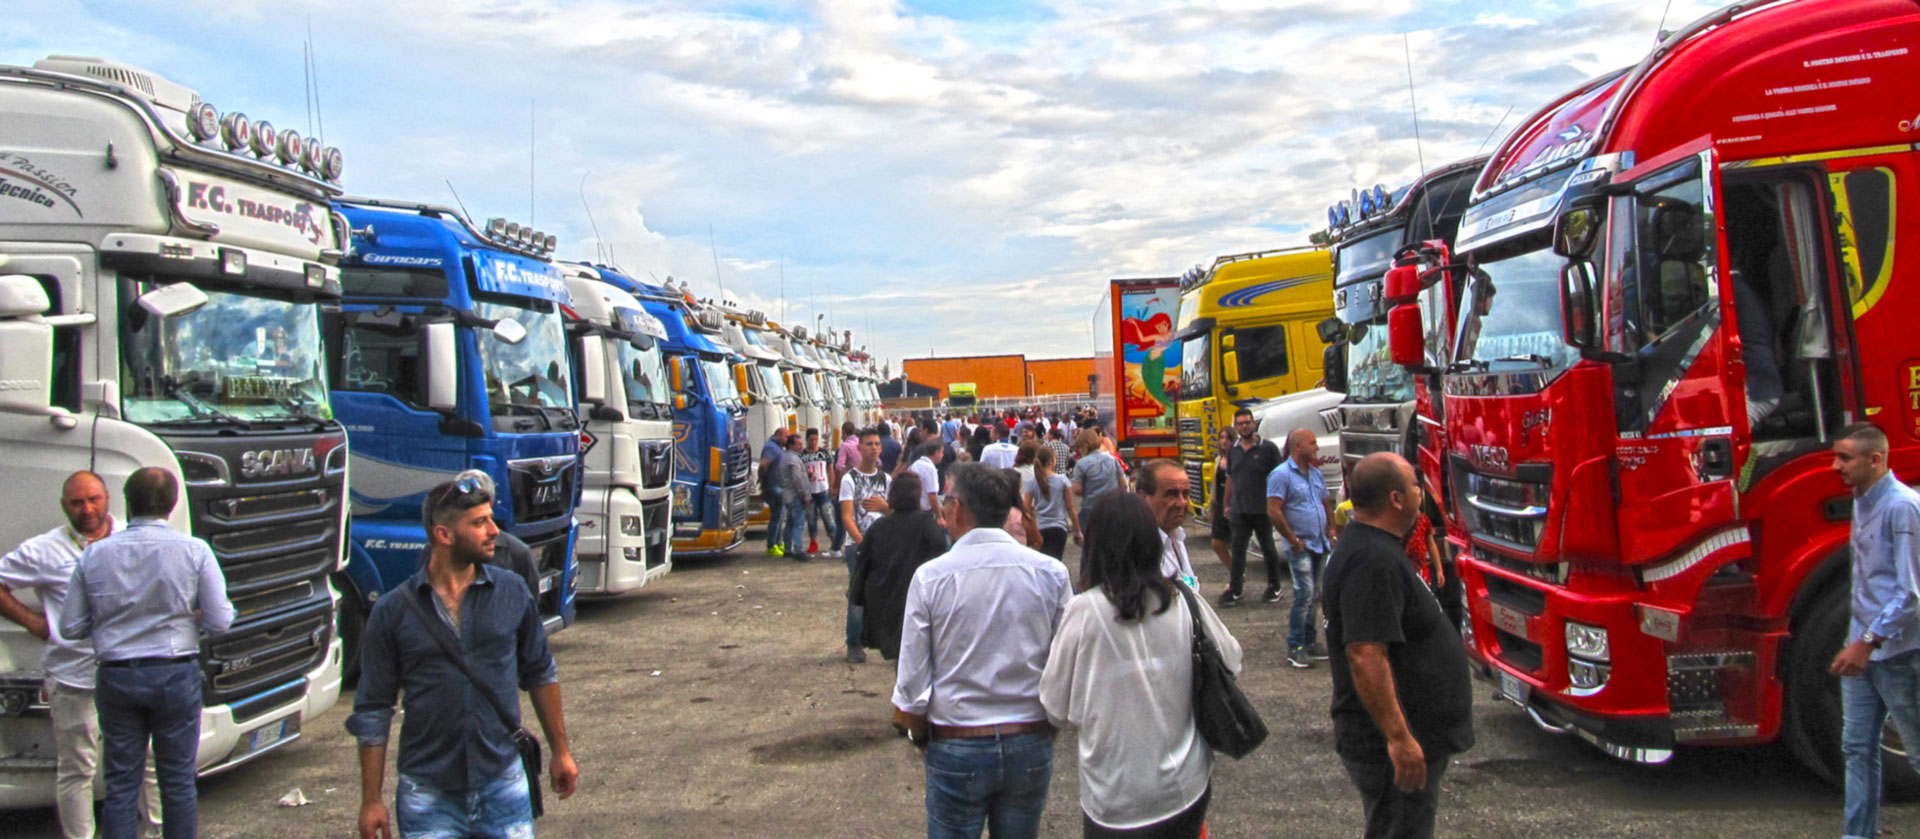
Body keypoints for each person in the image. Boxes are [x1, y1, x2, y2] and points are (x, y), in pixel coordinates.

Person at [348, 477, 578, 839]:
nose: (494, 531)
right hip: (427, 795)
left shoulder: (511, 591)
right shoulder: (392, 612)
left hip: (503, 783)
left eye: (490, 518)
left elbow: (540, 673)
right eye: (479, 523)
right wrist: (371, 799)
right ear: (444, 535)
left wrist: (560, 752)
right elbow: (374, 710)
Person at [1041, 493, 1240, 839]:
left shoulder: (1084, 611)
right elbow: (1231, 661)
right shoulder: (1182, 599)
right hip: (1186, 783)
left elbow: (1054, 705)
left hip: (1116, 795)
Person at [893, 463, 1073, 839]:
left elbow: (911, 683)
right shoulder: (1050, 573)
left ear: (956, 508)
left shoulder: (932, 577)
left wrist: (920, 735)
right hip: (1029, 738)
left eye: (946, 501)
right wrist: (1046, 726)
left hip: (956, 740)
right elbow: (1067, 664)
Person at [62, 468, 235, 839]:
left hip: (117, 674)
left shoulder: (94, 556)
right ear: (172, 506)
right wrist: (193, 617)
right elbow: (221, 621)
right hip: (175, 672)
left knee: (121, 783)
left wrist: (113, 621)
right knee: (177, 782)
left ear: (126, 501)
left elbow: (69, 627)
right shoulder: (194, 550)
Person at [0, 472, 162, 839]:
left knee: (148, 760)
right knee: (77, 768)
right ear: (63, 506)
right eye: (77, 502)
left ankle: (156, 833)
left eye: (94, 500)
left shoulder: (131, 536)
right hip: (74, 676)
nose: (87, 509)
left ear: (108, 499)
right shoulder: (44, 550)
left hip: (130, 670)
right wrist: (33, 622)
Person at [1322, 454, 1472, 839]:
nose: (1421, 492)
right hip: (1389, 744)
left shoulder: (1376, 548)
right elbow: (1365, 653)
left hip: (1411, 732)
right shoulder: (1371, 560)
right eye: (1414, 484)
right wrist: (1400, 739)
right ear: (1396, 499)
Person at [1829, 423, 1920, 839]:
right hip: (1865, 648)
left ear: (1876, 460)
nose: (1836, 466)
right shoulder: (1861, 499)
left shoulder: (1903, 507)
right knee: (1857, 748)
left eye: (1845, 458)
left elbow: (1911, 593)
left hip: (1900, 654)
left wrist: (1866, 643)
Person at [851, 472, 949, 661]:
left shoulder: (879, 527)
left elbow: (863, 561)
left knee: (900, 657)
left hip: (884, 599)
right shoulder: (927, 524)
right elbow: (940, 554)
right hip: (917, 598)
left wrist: (857, 595)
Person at [1267, 428, 1336, 668]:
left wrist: (1332, 530)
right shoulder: (1281, 475)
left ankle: (1310, 642)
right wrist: (1293, 539)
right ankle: (1295, 647)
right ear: (1297, 446)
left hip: (1319, 544)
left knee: (1315, 595)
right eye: (1313, 443)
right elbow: (1273, 510)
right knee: (1304, 594)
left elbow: (1326, 503)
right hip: (1300, 546)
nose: (1317, 447)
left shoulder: (1315, 474)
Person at [1220, 408, 1284, 608]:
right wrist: (1226, 504)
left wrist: (1278, 505)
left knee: (1268, 548)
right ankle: (1236, 590)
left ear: (1254, 424)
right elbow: (1231, 477)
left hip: (1262, 509)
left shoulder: (1268, 449)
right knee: (1238, 550)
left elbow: (1279, 477)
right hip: (1240, 509)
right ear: (1236, 426)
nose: (1244, 426)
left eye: (1247, 422)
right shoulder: (1235, 450)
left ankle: (1274, 587)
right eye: (1240, 424)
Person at [840, 428, 892, 662]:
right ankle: (854, 641)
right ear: (859, 448)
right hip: (857, 546)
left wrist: (884, 508)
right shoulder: (850, 479)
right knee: (858, 595)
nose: (874, 448)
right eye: (869, 444)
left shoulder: (886, 479)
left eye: (876, 444)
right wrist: (862, 543)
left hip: (882, 544)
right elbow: (847, 516)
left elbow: (894, 512)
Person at [1134, 460, 1196, 589]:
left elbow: (1188, 584)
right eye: (1171, 494)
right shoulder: (1136, 549)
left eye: (1185, 494)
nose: (1182, 503)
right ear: (1143, 497)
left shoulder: (1175, 536)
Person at [1023, 445, 1078, 560]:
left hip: (1040, 528)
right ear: (1052, 461)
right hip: (1059, 527)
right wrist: (1077, 530)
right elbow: (1070, 507)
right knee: (1056, 561)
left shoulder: (1032, 483)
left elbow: (1026, 509)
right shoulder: (1062, 480)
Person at [1072, 429, 1125, 535]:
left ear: (1084, 446)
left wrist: (1089, 491)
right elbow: (1123, 484)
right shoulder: (1112, 460)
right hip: (1112, 507)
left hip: (1090, 509)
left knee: (1092, 543)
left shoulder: (1081, 464)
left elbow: (1077, 489)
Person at [803, 428, 841, 556]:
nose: (813, 442)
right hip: (810, 491)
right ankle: (813, 542)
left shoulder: (824, 453)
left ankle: (834, 543)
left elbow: (830, 469)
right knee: (811, 518)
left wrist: (832, 486)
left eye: (815, 440)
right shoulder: (802, 455)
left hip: (823, 489)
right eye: (811, 440)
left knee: (828, 516)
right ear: (807, 440)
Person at [779, 432, 811, 559]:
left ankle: (787, 548)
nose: (801, 447)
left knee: (790, 523)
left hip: (787, 494)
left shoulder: (784, 457)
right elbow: (797, 479)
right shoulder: (794, 459)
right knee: (798, 524)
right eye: (798, 444)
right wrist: (804, 495)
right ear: (791, 445)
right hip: (796, 496)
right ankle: (799, 551)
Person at [761, 427, 791, 557]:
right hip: (774, 487)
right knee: (776, 517)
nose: (787, 440)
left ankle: (778, 543)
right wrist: (763, 481)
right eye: (785, 437)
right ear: (778, 436)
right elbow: (763, 465)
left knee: (780, 517)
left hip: (780, 487)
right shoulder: (771, 448)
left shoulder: (777, 448)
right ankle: (771, 545)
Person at [907, 441, 945, 517]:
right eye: (942, 452)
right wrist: (939, 517)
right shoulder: (930, 469)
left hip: (912, 509)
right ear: (936, 452)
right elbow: (932, 495)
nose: (943, 455)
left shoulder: (915, 464)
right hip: (925, 512)